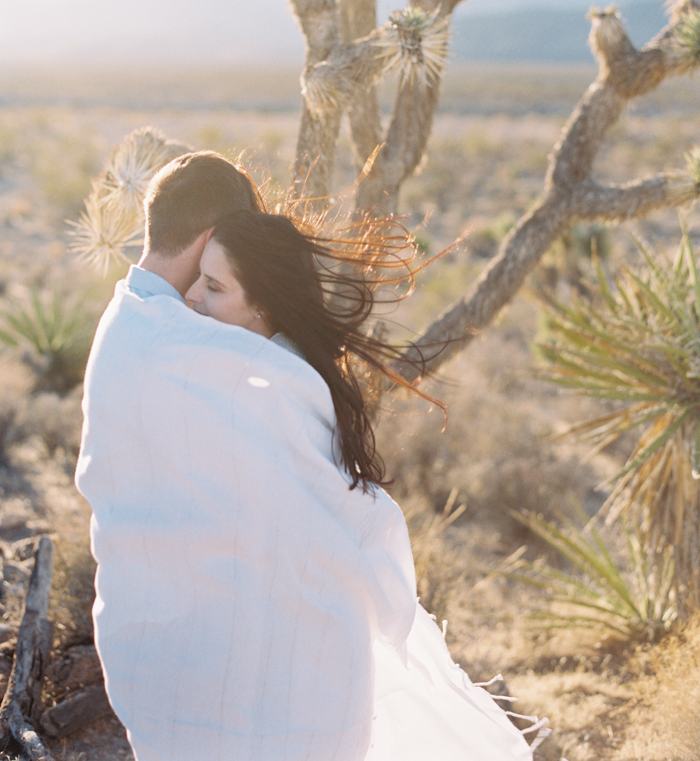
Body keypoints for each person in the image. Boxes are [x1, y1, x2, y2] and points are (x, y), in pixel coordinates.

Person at [76, 150, 542, 760]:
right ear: (214, 237)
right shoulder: (212, 352)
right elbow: (320, 499)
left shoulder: (123, 325)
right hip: (247, 664)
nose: (204, 296)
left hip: (149, 644)